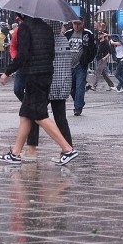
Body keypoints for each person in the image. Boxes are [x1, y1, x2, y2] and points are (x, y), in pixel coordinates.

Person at [0, 14, 79, 166]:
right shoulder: (46, 28)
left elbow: (22, 56)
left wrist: (7, 72)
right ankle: (15, 153)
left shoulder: (25, 28)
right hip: (46, 75)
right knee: (25, 114)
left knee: (39, 115)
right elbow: (51, 54)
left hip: (34, 75)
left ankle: (67, 149)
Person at [21, 20, 74, 163]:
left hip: (45, 84)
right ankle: (67, 148)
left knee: (34, 115)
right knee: (61, 118)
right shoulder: (64, 40)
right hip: (62, 85)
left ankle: (32, 149)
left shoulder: (45, 40)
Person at [65, 17, 97, 116]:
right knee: (70, 87)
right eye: (75, 24)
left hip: (80, 65)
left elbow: (93, 49)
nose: (77, 26)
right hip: (69, 65)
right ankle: (79, 102)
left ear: (83, 23)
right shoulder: (68, 33)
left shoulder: (88, 33)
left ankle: (78, 107)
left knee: (79, 86)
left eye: (79, 24)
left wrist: (86, 60)